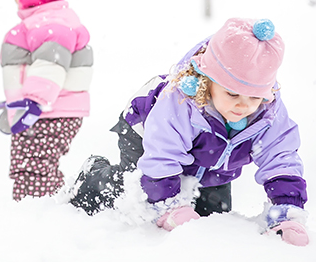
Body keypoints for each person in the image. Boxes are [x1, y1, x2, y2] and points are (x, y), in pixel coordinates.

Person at [68, 18, 309, 246]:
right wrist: (170, 206)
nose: (243, 106)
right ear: (208, 81)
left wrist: (286, 210)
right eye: (232, 94)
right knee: (138, 194)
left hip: (211, 163)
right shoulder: (181, 103)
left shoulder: (268, 113)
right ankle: (92, 179)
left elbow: (281, 159)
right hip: (146, 138)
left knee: (211, 217)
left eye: (254, 96)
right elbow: (161, 158)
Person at [0, 0, 93, 200]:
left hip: (49, 111)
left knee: (32, 168)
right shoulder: (47, 20)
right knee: (34, 166)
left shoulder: (52, 23)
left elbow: (51, 64)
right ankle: (47, 209)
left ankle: (35, 213)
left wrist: (33, 101)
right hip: (45, 109)